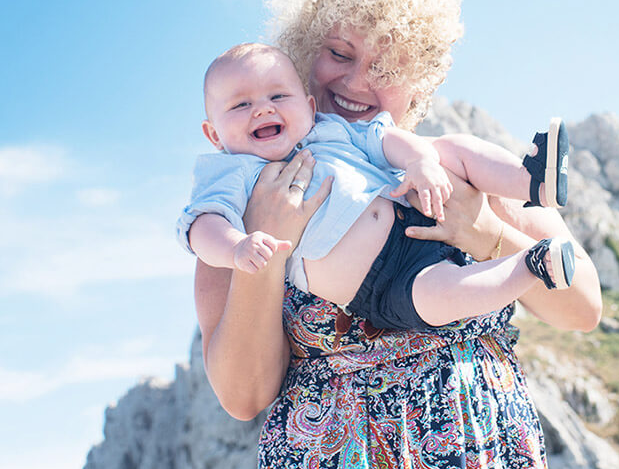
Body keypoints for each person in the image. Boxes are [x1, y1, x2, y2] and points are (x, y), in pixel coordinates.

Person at [194, 0, 603, 469]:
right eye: (340, 53)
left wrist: (480, 229)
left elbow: (583, 310)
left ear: (421, 84)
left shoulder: (465, 170)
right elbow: (244, 396)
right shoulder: (244, 206)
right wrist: (266, 246)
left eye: (388, 68)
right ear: (304, 55)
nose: (358, 81)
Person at [179, 42, 574, 331]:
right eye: (240, 105)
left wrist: (420, 162)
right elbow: (201, 225)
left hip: (414, 209)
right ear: (213, 135)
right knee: (442, 295)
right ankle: (532, 265)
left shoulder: (329, 131)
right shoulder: (233, 174)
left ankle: (533, 182)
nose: (263, 109)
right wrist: (236, 247)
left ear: (309, 106)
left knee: (450, 148)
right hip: (381, 283)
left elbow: (383, 138)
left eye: (278, 95)